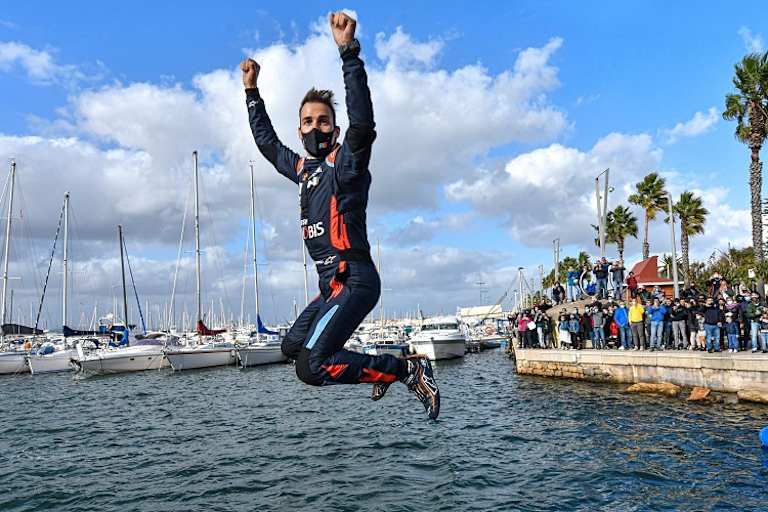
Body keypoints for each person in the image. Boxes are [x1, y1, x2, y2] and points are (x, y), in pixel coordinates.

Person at [241, 12, 439, 418]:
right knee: (291, 347)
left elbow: (363, 124)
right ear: (300, 131)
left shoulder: (344, 163)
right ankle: (377, 370)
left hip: (355, 278)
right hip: (330, 286)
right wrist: (251, 92)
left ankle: (405, 369)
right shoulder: (302, 170)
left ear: (334, 127)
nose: (316, 127)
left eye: (324, 121)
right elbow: (267, 144)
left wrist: (349, 53)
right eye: (308, 122)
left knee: (311, 368)